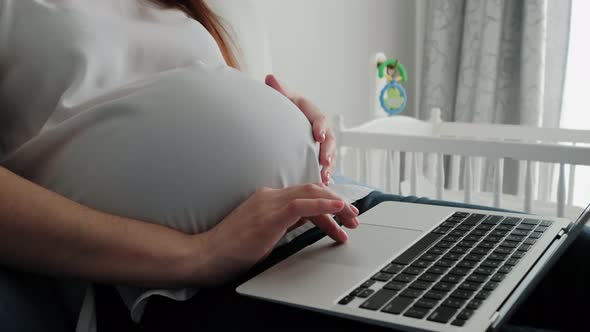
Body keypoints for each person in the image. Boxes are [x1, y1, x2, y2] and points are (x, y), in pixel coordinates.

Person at [0, 1, 587, 332]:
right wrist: (199, 256)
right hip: (181, 285)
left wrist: (292, 113)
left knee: (574, 253)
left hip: (338, 214)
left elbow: (186, 101)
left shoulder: (173, 3)